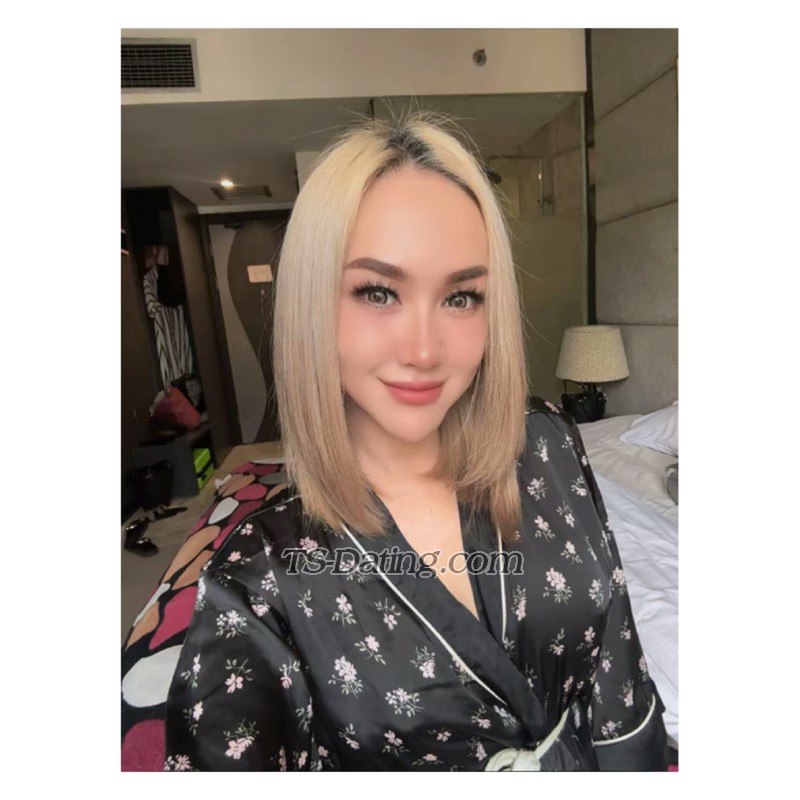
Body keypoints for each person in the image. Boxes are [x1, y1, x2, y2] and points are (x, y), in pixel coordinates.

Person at [163, 112, 669, 771]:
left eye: (461, 297)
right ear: (312, 304)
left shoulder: (544, 441)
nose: (425, 351)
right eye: (378, 292)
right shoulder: (258, 581)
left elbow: (616, 666)